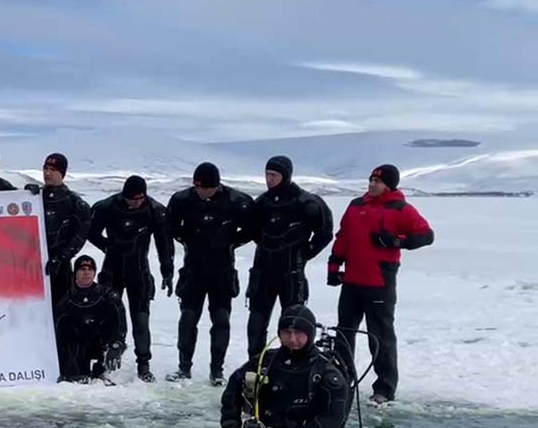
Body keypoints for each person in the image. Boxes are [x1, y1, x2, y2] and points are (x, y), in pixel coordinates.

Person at [189, 305, 359, 428]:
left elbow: (331, 420)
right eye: (287, 333)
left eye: (299, 333)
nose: (292, 339)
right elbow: (232, 393)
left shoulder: (325, 374)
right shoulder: (264, 361)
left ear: (310, 334)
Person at [327, 164, 434, 404]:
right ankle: (342, 381)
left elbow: (426, 235)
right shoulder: (356, 206)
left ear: (389, 185)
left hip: (379, 283)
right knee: (344, 333)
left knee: (380, 335)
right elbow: (342, 237)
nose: (372, 184)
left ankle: (384, 389)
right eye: (371, 179)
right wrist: (334, 266)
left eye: (378, 181)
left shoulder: (400, 209)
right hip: (352, 282)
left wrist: (397, 241)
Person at [166, 162, 254, 386]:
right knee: (187, 319)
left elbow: (253, 228)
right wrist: (184, 237)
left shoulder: (236, 201)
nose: (200, 191)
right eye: (196, 186)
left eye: (204, 187)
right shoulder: (182, 200)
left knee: (221, 320)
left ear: (215, 185)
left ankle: (217, 371)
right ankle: (184, 368)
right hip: (193, 271)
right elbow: (170, 226)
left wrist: (231, 242)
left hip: (222, 271)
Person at [88, 175, 175, 382]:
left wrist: (167, 271)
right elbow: (91, 232)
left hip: (139, 272)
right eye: (129, 199)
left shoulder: (154, 210)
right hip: (112, 270)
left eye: (137, 199)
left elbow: (164, 243)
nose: (133, 203)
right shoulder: (108, 207)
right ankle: (102, 362)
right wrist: (107, 246)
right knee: (109, 317)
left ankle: (143, 365)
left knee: (141, 320)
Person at [245, 156, 333, 358]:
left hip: (291, 273)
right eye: (267, 174)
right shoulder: (262, 203)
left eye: (274, 175)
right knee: (256, 323)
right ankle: (255, 363)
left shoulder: (305, 202)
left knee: (294, 322)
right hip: (263, 270)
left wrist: (307, 253)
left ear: (286, 175)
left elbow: (325, 232)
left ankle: (293, 362)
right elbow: (250, 230)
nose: (269, 179)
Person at [28, 153, 92, 321]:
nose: (47, 173)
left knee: (59, 315)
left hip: (60, 270)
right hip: (32, 268)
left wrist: (63, 257)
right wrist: (24, 197)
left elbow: (80, 235)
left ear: (62, 173)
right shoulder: (34, 198)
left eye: (53, 170)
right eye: (45, 169)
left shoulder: (75, 203)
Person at [54, 255, 127, 382]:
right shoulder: (66, 298)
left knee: (103, 373)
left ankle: (103, 368)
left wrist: (117, 344)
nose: (86, 272)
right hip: (78, 344)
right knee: (76, 376)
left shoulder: (107, 295)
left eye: (90, 269)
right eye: (82, 269)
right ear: (75, 273)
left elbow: (120, 323)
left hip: (101, 342)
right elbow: (58, 328)